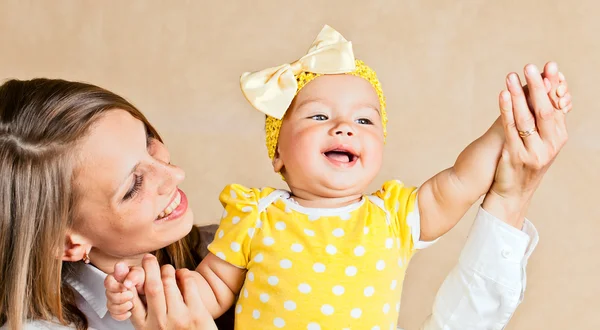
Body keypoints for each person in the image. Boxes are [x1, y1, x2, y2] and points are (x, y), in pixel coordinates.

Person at [105, 26, 571, 329]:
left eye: (364, 121)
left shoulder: (392, 215)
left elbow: (461, 181)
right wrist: (145, 292)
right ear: (278, 155)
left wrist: (508, 124)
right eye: (319, 116)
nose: (344, 127)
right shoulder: (256, 215)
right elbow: (211, 291)